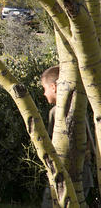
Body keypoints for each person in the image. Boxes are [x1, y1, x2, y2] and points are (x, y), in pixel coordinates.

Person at [40, 66, 94, 207]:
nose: (44, 93)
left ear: (54, 87)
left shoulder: (56, 112)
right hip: (84, 172)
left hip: (66, 172)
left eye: (44, 88)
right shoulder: (79, 107)